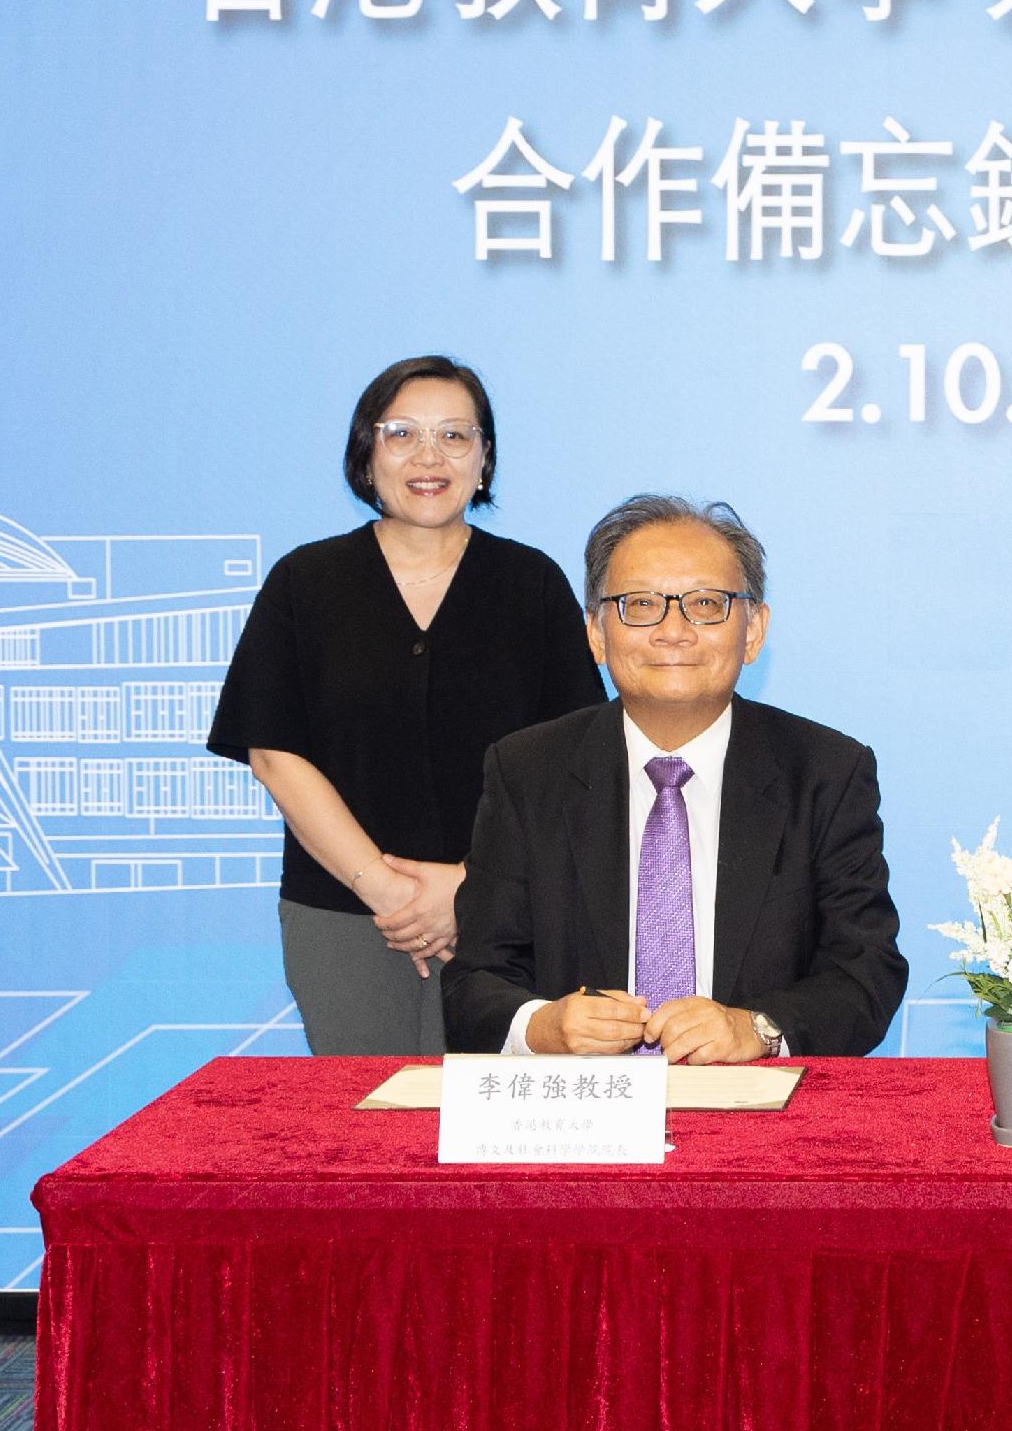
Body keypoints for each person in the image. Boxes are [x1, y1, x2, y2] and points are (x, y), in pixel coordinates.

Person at [206, 355, 602, 1055]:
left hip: (508, 917)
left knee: (501, 1142)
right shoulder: (306, 581)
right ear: (367, 456)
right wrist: (385, 889)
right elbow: (273, 752)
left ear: (485, 459)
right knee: (372, 1136)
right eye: (402, 434)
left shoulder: (531, 584)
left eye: (455, 435)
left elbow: (576, 762)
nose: (430, 456)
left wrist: (472, 889)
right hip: (343, 912)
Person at [441, 495, 908, 1062]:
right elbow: (474, 982)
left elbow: (866, 973)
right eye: (640, 604)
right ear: (595, 633)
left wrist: (757, 1029)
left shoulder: (826, 772)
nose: (673, 630)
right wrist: (544, 1028)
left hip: (764, 1115)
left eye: (706, 604)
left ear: (754, 629)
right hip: (584, 1120)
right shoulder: (527, 771)